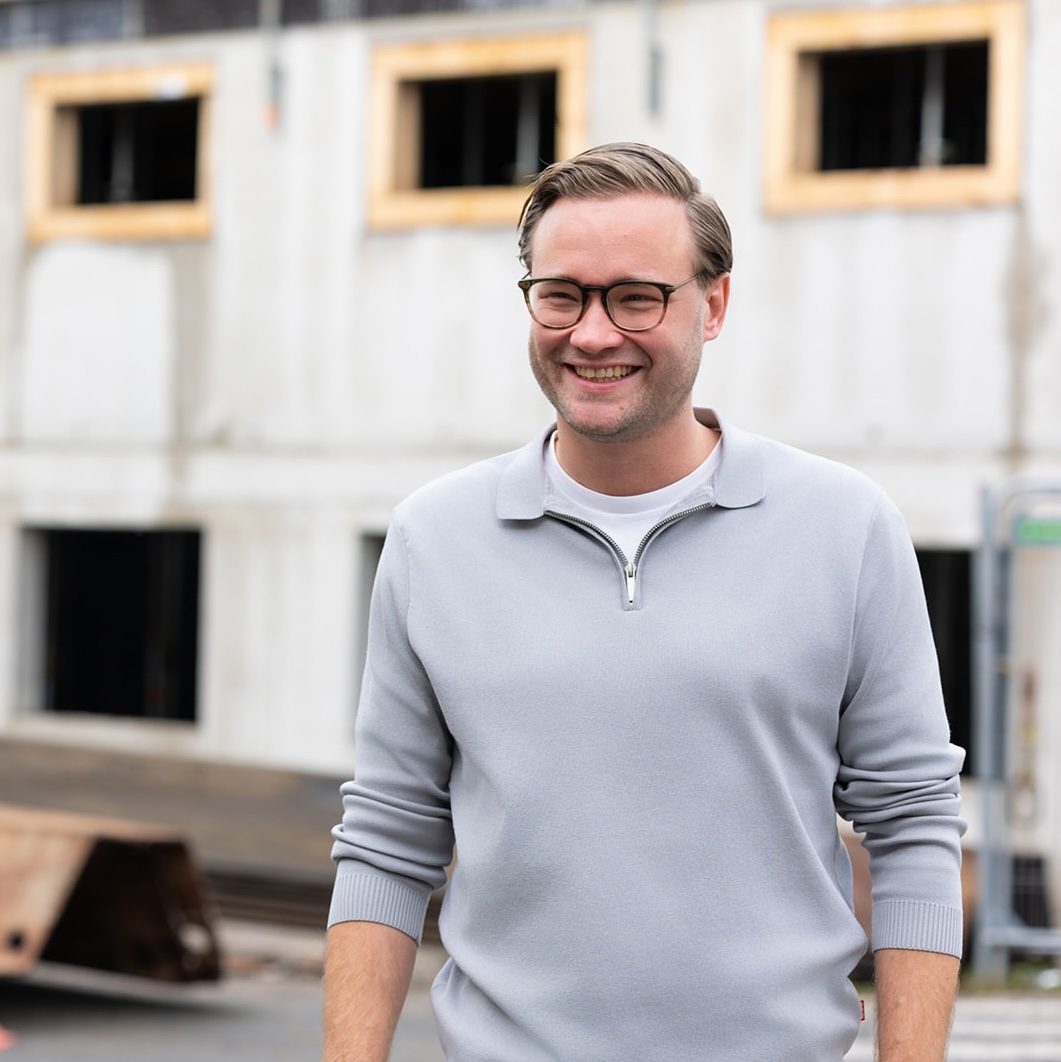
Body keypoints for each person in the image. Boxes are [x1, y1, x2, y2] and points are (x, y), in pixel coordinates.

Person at [323, 142, 966, 1061]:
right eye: (561, 295)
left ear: (714, 304)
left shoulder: (844, 526)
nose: (592, 334)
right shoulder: (434, 538)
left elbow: (911, 824)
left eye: (635, 297)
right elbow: (387, 840)